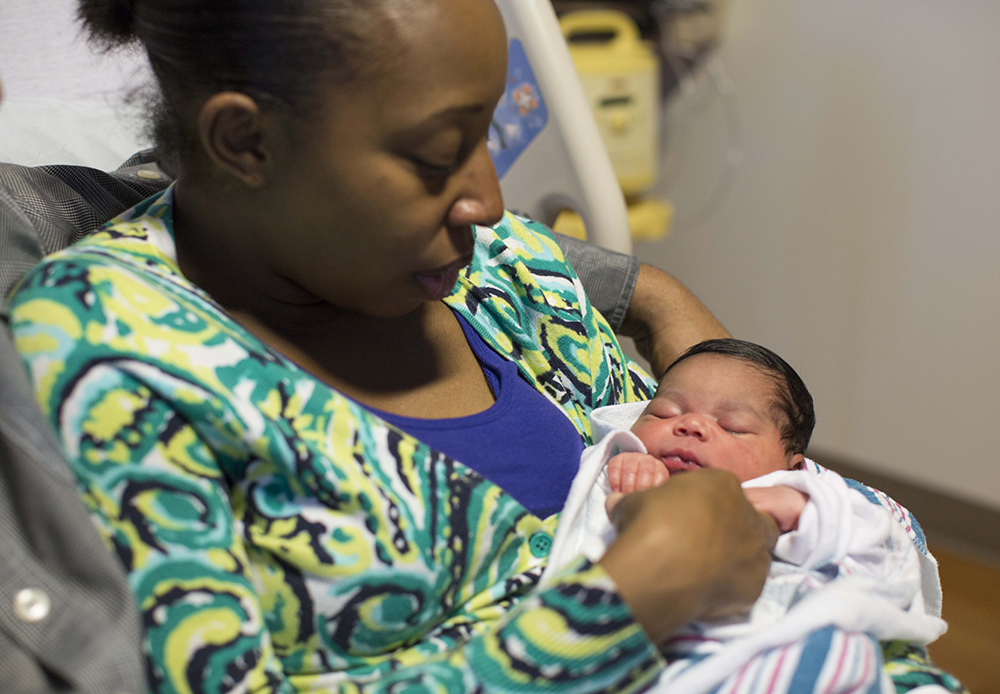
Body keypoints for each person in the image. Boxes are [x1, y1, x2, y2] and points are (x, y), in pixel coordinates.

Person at [2, 1, 783, 691]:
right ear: (245, 141)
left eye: (487, 135)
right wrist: (634, 597)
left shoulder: (504, 268)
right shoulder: (113, 343)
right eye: (437, 156)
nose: (489, 200)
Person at [546, 339, 959, 694]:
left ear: (791, 466)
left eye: (733, 426)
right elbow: (600, 540)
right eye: (665, 413)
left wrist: (800, 507)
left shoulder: (800, 495)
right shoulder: (621, 470)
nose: (690, 425)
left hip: (797, 644)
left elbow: (871, 542)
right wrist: (631, 488)